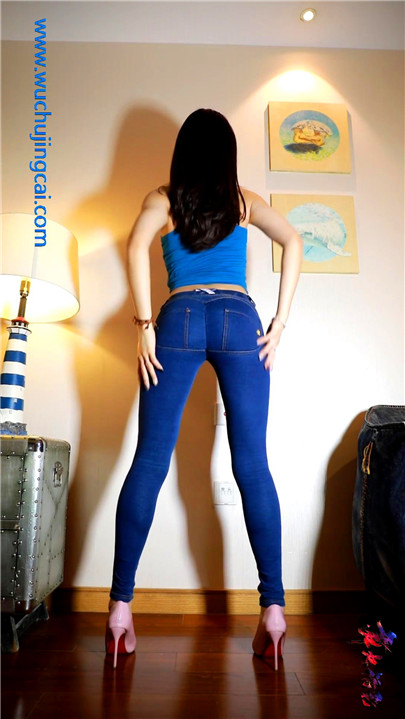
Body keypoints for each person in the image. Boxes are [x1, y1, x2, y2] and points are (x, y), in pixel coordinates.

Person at [105, 108, 303, 670]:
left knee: (149, 462)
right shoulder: (243, 200)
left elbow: (134, 245)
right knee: (253, 466)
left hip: (180, 318)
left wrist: (144, 325)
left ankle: (119, 610)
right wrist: (279, 324)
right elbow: (294, 241)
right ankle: (273, 611)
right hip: (240, 321)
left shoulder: (163, 199)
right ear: (227, 155)